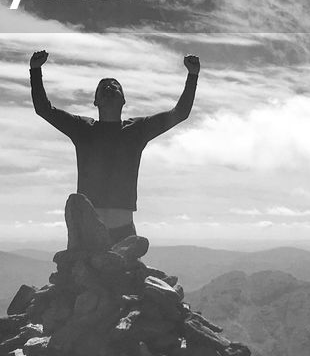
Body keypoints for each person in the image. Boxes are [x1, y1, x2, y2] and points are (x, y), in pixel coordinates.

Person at [30, 50, 200, 244]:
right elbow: (43, 109)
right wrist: (35, 70)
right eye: (103, 87)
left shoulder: (137, 129)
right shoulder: (82, 128)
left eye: (115, 86)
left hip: (123, 231)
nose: (109, 87)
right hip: (88, 230)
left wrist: (192, 75)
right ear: (95, 101)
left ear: (124, 100)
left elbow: (180, 113)